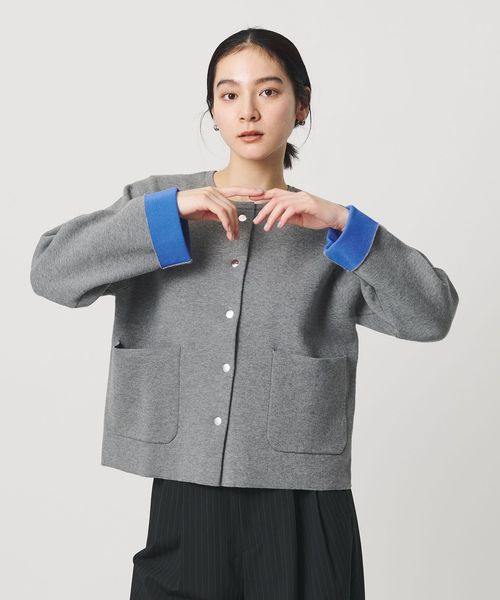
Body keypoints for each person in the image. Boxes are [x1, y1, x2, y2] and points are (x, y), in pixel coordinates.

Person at [30, 27, 459, 600]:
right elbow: (52, 273)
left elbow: (432, 315)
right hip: (186, 490)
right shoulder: (159, 203)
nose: (247, 111)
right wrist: (170, 213)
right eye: (229, 94)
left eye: (269, 91)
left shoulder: (328, 231)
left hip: (305, 501)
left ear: (302, 104)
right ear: (212, 110)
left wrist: (344, 222)